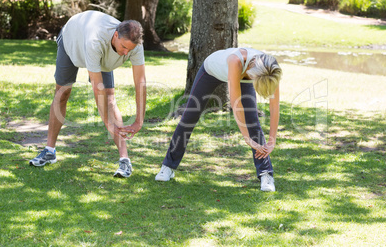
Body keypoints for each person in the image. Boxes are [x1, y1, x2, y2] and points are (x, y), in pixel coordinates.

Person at [29, 10, 146, 178]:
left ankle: (124, 161)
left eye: (131, 49)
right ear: (115, 35)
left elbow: (140, 84)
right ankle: (49, 151)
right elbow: (97, 89)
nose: (127, 53)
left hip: (99, 51)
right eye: (124, 47)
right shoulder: (95, 40)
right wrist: (108, 124)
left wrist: (139, 121)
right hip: (72, 41)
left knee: (111, 99)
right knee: (62, 93)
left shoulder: (135, 45)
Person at [155, 48, 282, 191]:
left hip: (247, 75)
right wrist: (247, 138)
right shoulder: (235, 61)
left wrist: (272, 140)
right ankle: (168, 166)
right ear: (254, 75)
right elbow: (236, 103)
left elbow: (274, 106)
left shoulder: (271, 70)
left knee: (252, 121)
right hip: (211, 71)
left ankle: (266, 174)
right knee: (189, 117)